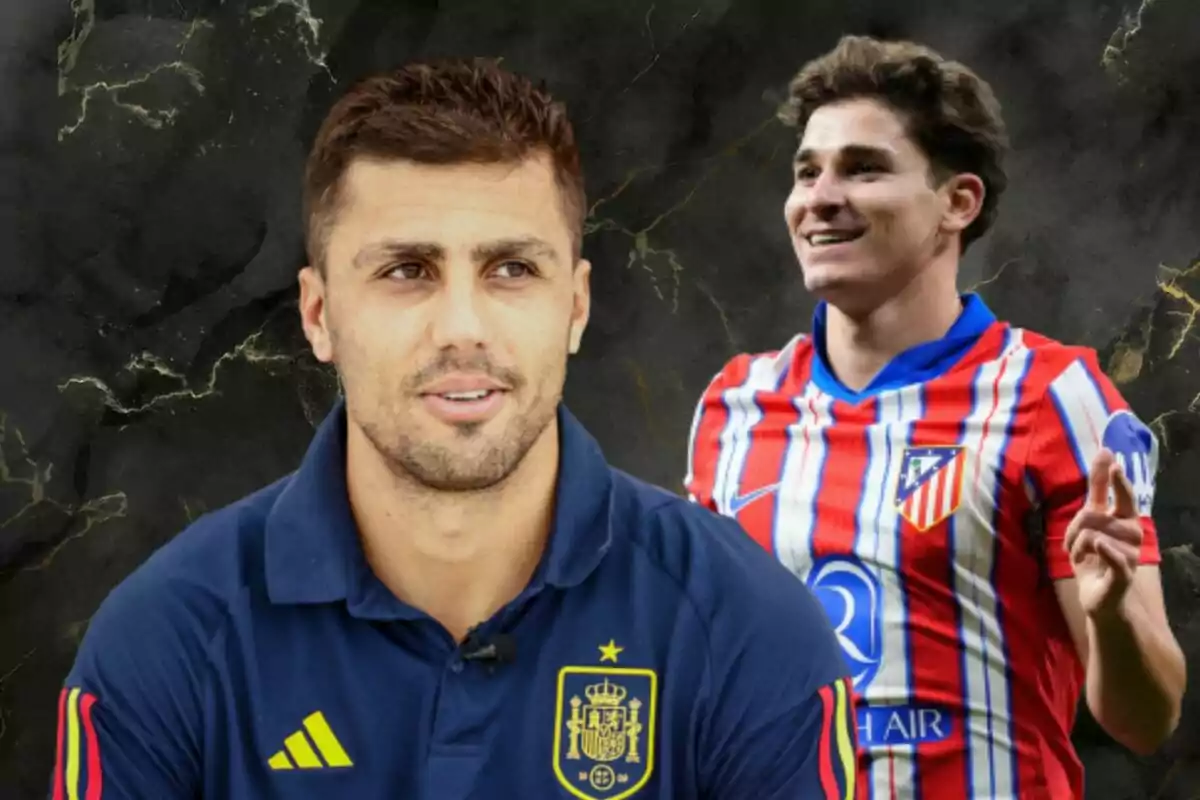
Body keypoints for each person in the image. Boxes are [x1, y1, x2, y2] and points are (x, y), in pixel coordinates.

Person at [48, 57, 861, 800]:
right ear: (319, 313)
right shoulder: (166, 642)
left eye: (512, 269)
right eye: (407, 271)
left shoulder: (748, 632)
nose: (461, 327)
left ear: (574, 306)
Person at [684, 35, 1185, 800]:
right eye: (807, 171)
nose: (819, 196)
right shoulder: (737, 406)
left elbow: (1147, 721)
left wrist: (1111, 610)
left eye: (863, 168)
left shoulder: (1053, 394)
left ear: (958, 202)